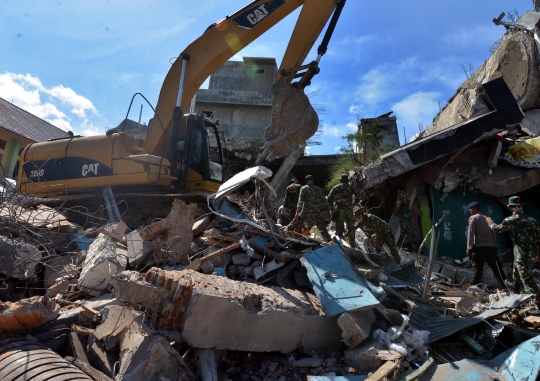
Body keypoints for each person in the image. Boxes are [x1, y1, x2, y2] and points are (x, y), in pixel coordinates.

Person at [488, 196, 540, 304]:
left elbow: (497, 229)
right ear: (521, 206)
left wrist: (490, 222)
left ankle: (537, 304)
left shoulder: (511, 220)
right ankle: (516, 290)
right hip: (532, 253)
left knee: (527, 279)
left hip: (522, 253)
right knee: (517, 272)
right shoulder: (532, 219)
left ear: (512, 207)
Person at [466, 201, 506, 288]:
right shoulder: (488, 218)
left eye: (471, 209)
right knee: (496, 267)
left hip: (479, 247)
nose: (470, 210)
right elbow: (493, 233)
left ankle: (474, 286)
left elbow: (471, 234)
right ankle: (504, 285)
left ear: (476, 209)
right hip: (490, 247)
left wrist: (469, 248)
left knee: (477, 267)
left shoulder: (473, 218)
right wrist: (494, 245)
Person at [285, 175, 331, 241]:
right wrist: (326, 198)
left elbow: (300, 201)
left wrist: (297, 213)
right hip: (316, 210)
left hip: (306, 210)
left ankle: (285, 232)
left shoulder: (303, 188)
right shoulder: (317, 189)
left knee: (296, 221)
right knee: (321, 225)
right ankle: (328, 239)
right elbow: (324, 200)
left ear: (306, 181)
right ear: (313, 181)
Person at [327, 174, 364, 244]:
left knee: (339, 229)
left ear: (340, 180)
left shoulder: (336, 188)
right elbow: (359, 195)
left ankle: (338, 245)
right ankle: (352, 246)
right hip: (349, 211)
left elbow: (329, 198)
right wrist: (353, 204)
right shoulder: (351, 187)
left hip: (339, 211)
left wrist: (332, 209)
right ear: (347, 180)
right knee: (351, 229)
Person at [393, 185, 412, 249]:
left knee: (404, 229)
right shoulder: (407, 195)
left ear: (398, 190)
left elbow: (398, 206)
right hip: (408, 214)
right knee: (407, 229)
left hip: (403, 215)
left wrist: (395, 212)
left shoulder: (400, 196)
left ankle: (407, 245)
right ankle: (408, 245)